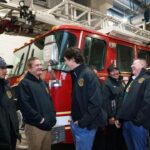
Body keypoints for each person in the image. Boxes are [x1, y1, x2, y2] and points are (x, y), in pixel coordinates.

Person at [63, 47, 107, 150]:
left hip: (85, 125)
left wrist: (83, 121)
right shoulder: (77, 74)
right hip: (77, 122)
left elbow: (96, 102)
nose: (65, 63)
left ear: (73, 59)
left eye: (65, 60)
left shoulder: (88, 74)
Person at [17, 57, 56, 150]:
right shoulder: (24, 84)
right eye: (37, 65)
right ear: (29, 68)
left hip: (48, 127)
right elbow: (24, 105)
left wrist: (53, 115)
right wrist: (40, 119)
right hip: (35, 128)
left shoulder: (43, 83)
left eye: (41, 65)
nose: (40, 67)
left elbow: (50, 101)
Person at [116, 59, 150, 150]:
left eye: (134, 64)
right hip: (127, 122)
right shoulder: (133, 80)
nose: (131, 66)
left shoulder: (147, 79)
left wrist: (138, 121)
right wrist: (119, 117)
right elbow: (125, 100)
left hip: (138, 125)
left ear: (142, 65)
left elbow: (148, 103)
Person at [101, 64, 126, 150]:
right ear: (109, 73)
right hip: (113, 117)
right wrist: (110, 116)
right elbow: (105, 101)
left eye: (116, 70)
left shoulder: (120, 82)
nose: (115, 72)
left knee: (120, 137)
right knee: (112, 138)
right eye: (112, 71)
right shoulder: (107, 83)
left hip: (121, 115)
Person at [0, 56, 20, 150]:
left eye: (6, 68)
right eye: (2, 68)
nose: (6, 71)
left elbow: (11, 108)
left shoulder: (6, 86)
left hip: (11, 137)